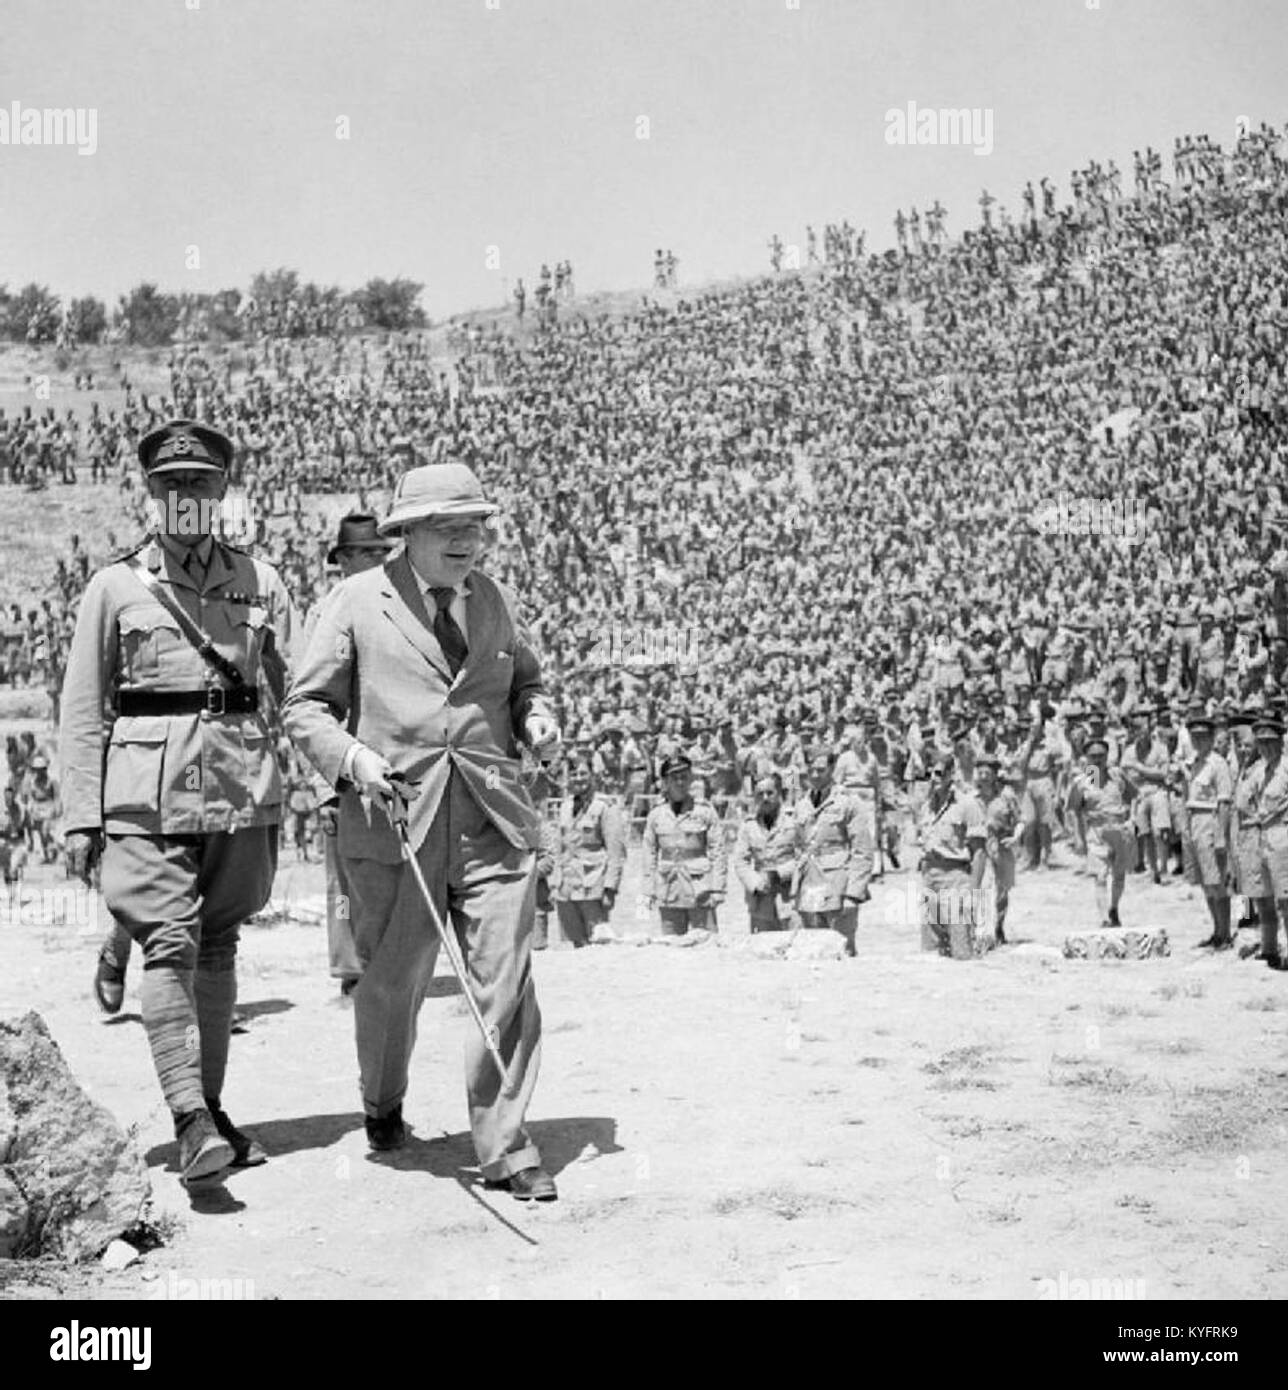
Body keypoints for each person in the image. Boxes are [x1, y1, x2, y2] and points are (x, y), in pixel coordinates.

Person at [282, 460, 560, 1200]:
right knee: (392, 982)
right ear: (408, 535)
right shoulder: (353, 602)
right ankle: (382, 1103)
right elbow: (305, 709)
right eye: (449, 527)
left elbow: (524, 677)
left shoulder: (493, 600)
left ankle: (505, 1144)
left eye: (476, 525)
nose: (469, 540)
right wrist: (353, 759)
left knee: (506, 978)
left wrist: (536, 715)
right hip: (394, 820)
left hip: (491, 820)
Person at [59, 419, 297, 1187]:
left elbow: (302, 698)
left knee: (220, 944)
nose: (185, 495)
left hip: (239, 789)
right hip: (144, 795)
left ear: (223, 492)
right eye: (170, 484)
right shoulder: (115, 586)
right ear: (152, 494)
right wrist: (79, 816)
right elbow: (84, 709)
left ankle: (213, 1109)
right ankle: (189, 1116)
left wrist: (334, 781)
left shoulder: (264, 583)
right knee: (168, 942)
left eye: (199, 482)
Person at [304, 513, 396, 997]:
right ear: (342, 561)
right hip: (342, 767)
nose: (379, 560)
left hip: (391, 761)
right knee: (344, 881)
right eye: (368, 553)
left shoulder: (396, 607)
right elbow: (309, 708)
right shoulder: (325, 614)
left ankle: (385, 965)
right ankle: (351, 970)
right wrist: (325, 785)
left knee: (388, 872)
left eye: (384, 552)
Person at [791, 747, 873, 956]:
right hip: (809, 888)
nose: (816, 775)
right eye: (811, 770)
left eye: (821, 770)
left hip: (838, 886)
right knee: (812, 950)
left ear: (832, 769)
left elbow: (862, 851)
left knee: (841, 951)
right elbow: (797, 847)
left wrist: (854, 894)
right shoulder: (802, 805)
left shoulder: (849, 802)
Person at [641, 753, 726, 936]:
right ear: (665, 782)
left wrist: (718, 888)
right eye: (674, 778)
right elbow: (649, 855)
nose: (680, 783)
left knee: (706, 945)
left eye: (684, 777)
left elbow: (718, 852)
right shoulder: (656, 815)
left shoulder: (704, 811)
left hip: (700, 891)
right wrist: (647, 891)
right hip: (668, 890)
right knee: (670, 948)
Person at [549, 752, 626, 948]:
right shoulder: (565, 806)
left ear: (593, 775)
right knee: (575, 946)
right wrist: (555, 883)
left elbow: (615, 853)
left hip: (593, 887)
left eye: (583, 773)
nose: (578, 779)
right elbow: (559, 848)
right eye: (573, 774)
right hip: (567, 887)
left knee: (599, 944)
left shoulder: (605, 807)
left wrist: (610, 888)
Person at [915, 752, 987, 960]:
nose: (933, 778)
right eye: (929, 773)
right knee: (932, 947)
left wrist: (974, 891)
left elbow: (979, 852)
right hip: (931, 877)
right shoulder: (927, 806)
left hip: (956, 878)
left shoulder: (967, 805)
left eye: (938, 773)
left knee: (960, 946)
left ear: (951, 774)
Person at [1066, 735, 1137, 928]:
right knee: (1099, 876)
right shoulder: (1084, 782)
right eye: (1093, 756)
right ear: (1087, 759)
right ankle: (1104, 917)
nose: (1098, 759)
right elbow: (1073, 809)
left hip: (1119, 828)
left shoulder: (1117, 776)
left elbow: (1133, 796)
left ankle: (1114, 908)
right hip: (1096, 831)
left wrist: (1132, 819)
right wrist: (1077, 837)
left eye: (1101, 755)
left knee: (1119, 874)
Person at [1184, 714, 1235, 949]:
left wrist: (1222, 835)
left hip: (1210, 822)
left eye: (1203, 737)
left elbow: (1224, 802)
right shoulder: (1194, 762)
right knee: (1205, 882)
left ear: (1212, 738)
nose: (1199, 741)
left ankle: (1226, 933)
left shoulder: (1218, 763)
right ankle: (1216, 930)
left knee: (1218, 882)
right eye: (1195, 737)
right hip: (1194, 822)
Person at [732, 772, 798, 933]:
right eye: (760, 794)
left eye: (770, 793)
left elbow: (804, 855)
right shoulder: (749, 825)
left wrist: (780, 873)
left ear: (779, 793)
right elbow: (741, 861)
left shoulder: (794, 820)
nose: (765, 798)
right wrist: (755, 883)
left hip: (789, 898)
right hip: (761, 900)